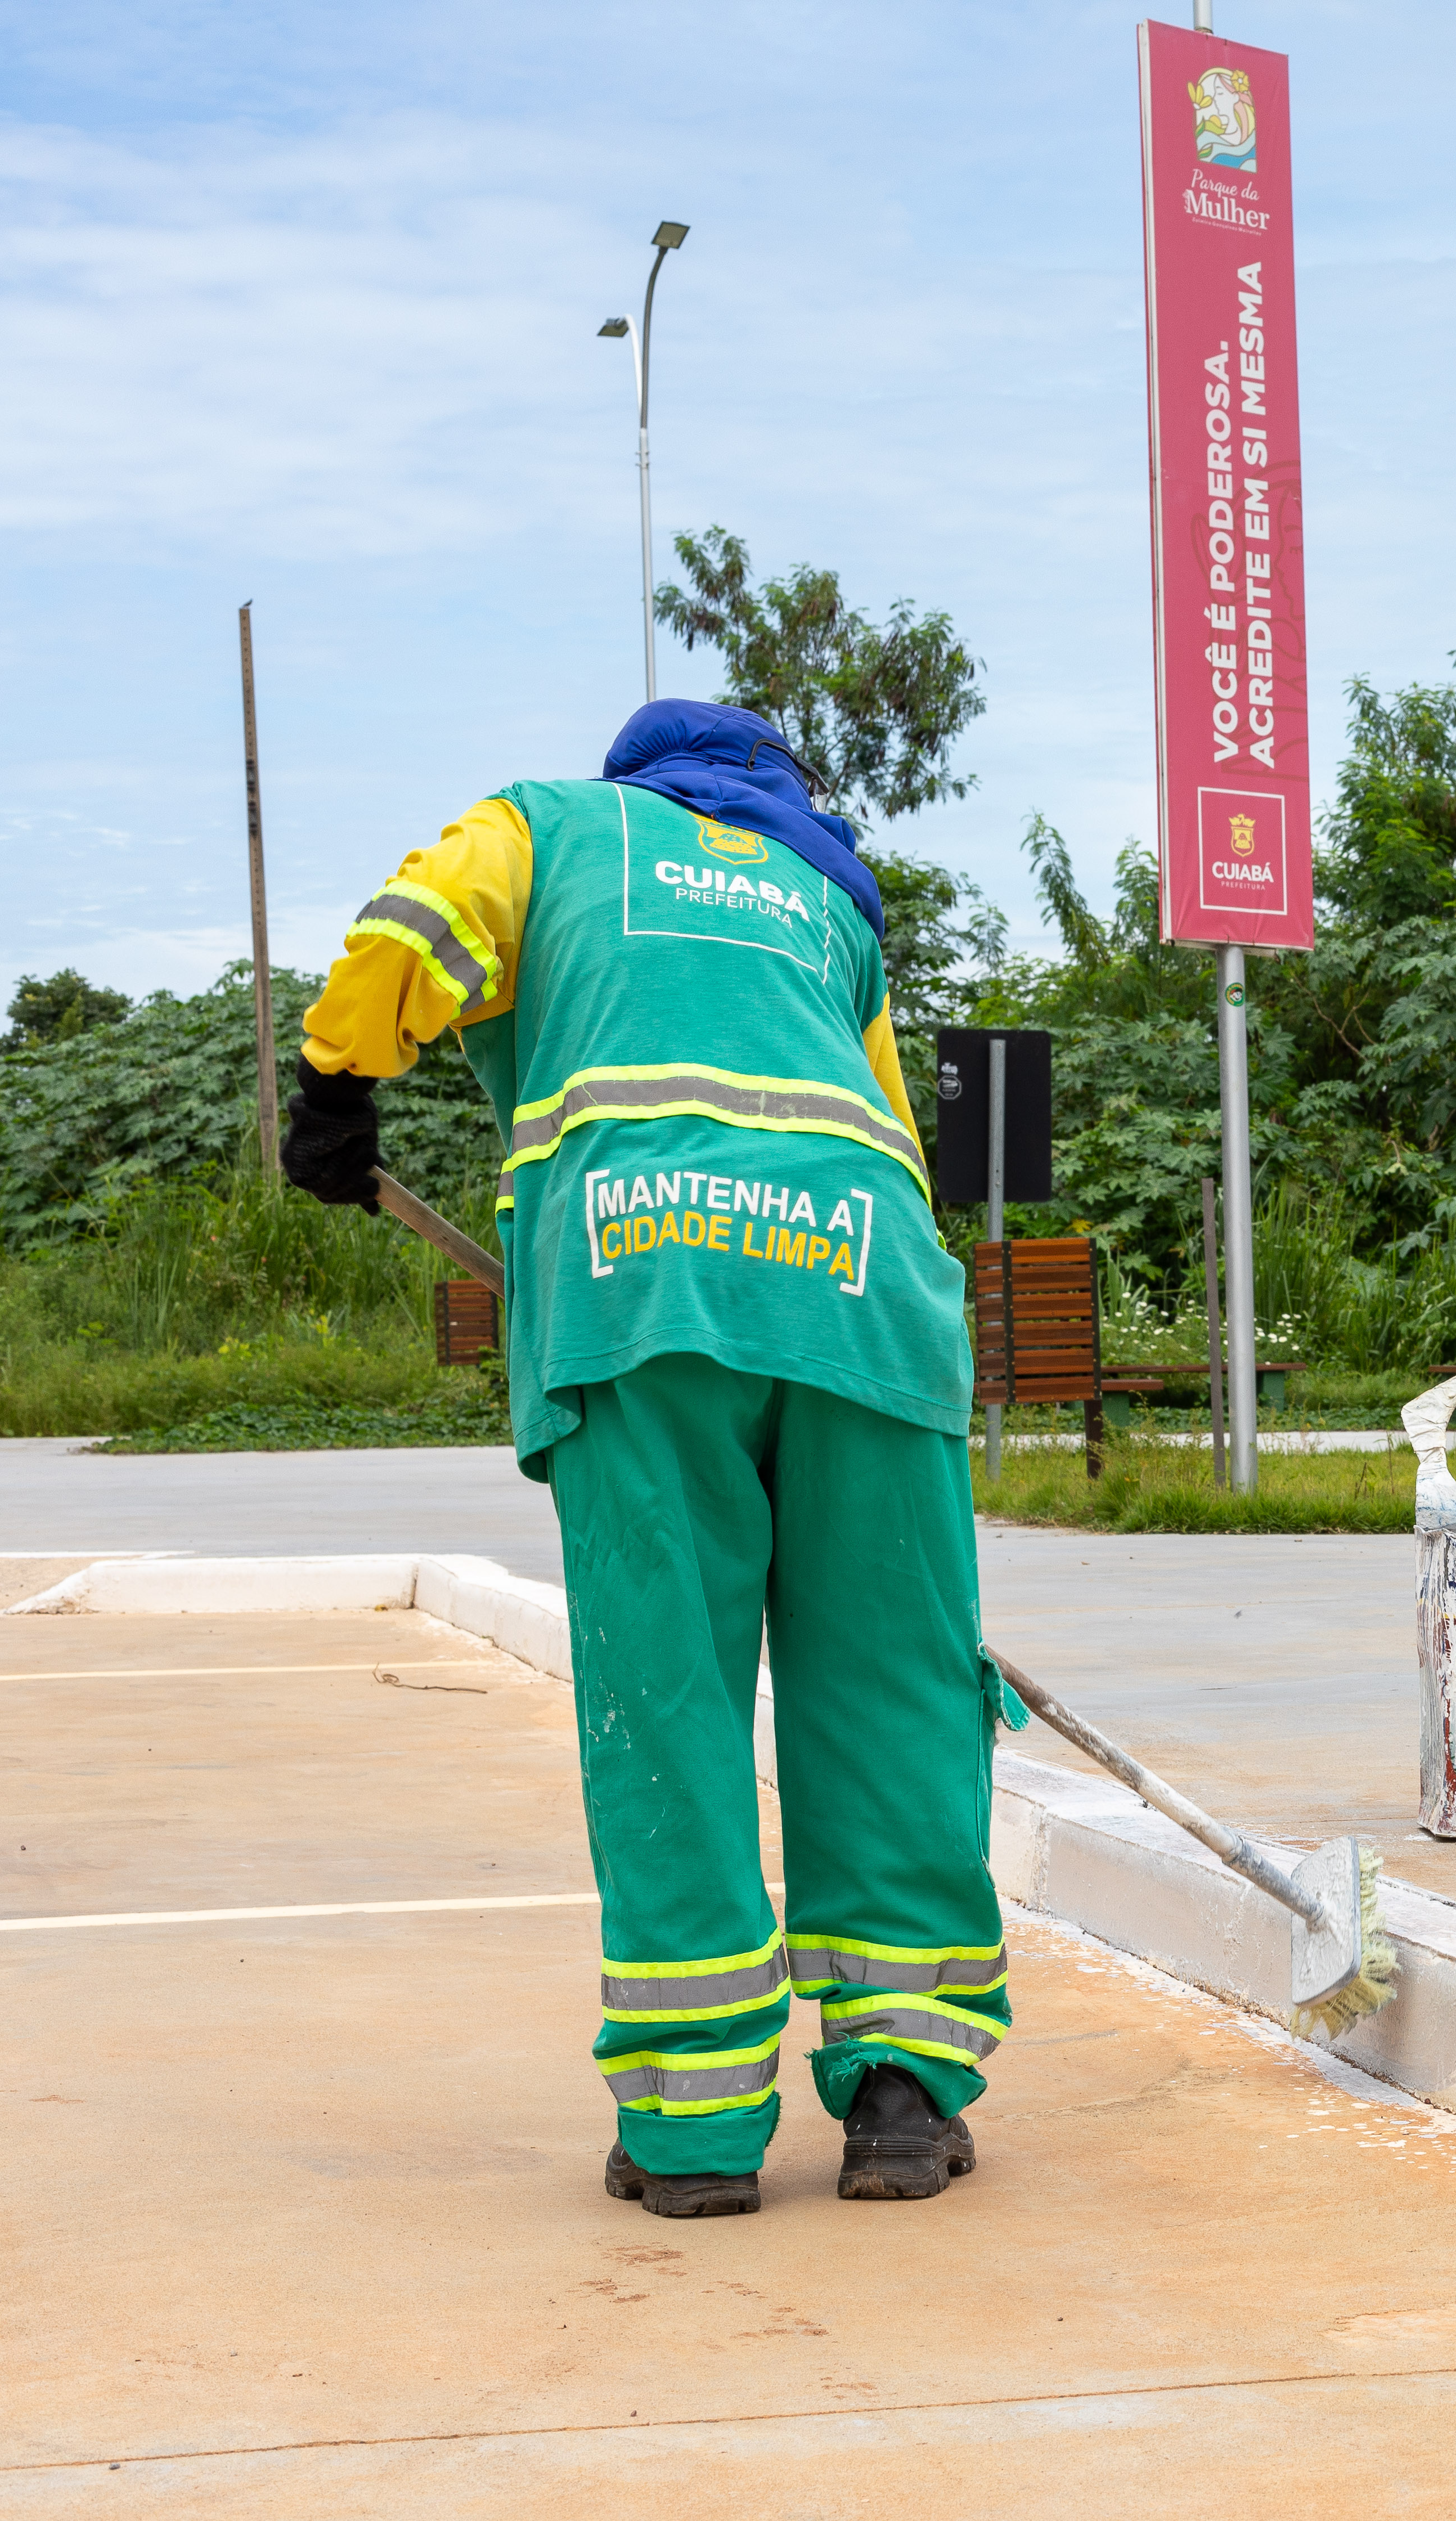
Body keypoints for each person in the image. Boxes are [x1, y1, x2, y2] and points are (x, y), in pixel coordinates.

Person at [282, 699, 1019, 2219]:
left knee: (669, 1699)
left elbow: (409, 935)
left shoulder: (553, 829)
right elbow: (884, 1115)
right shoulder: (829, 898)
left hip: (648, 1285)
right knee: (891, 1689)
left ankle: (693, 2135)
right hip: (869, 1291)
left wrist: (338, 1085)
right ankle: (901, 2096)